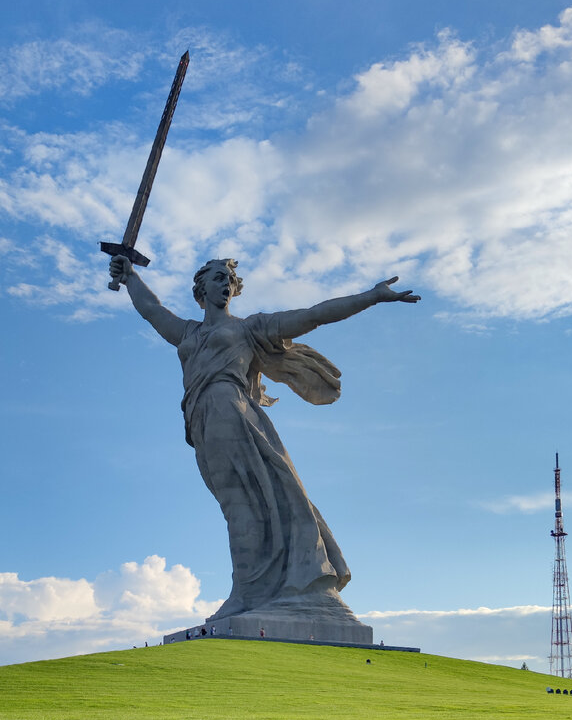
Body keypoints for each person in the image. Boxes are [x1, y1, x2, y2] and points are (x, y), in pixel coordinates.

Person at [110, 254, 419, 622]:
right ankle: (253, 587)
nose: (226, 284)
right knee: (236, 503)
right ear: (201, 288)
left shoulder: (248, 328)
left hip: (232, 411)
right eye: (218, 278)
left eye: (229, 280)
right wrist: (129, 277)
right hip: (201, 420)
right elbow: (151, 309)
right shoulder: (187, 332)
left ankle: (252, 590)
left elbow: (313, 315)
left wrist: (371, 296)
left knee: (246, 501)